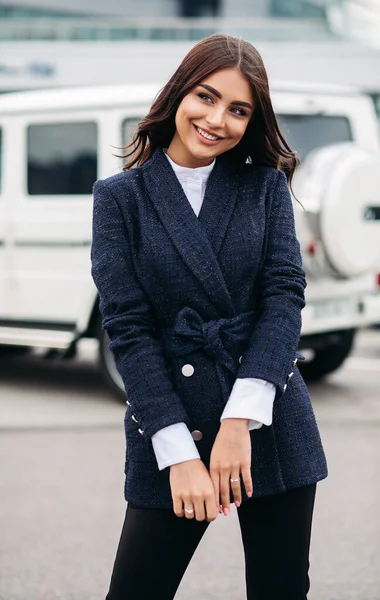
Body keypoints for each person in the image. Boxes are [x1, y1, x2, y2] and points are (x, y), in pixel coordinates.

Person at [91, 33, 328, 600]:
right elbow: (128, 327)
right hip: (171, 422)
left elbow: (283, 296)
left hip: (267, 421)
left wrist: (237, 423)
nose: (217, 119)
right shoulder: (119, 198)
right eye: (206, 96)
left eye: (239, 109)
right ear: (178, 95)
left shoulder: (264, 187)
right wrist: (179, 454)